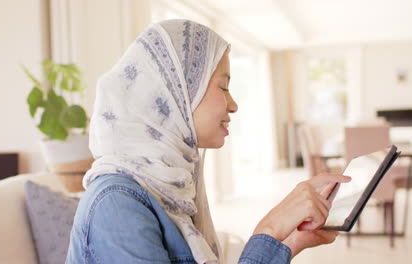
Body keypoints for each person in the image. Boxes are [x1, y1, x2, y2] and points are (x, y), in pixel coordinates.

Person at [65, 19, 351, 264]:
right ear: (176, 93)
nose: (233, 104)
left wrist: (289, 243)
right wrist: (271, 229)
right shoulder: (116, 205)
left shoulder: (165, 187)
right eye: (223, 87)